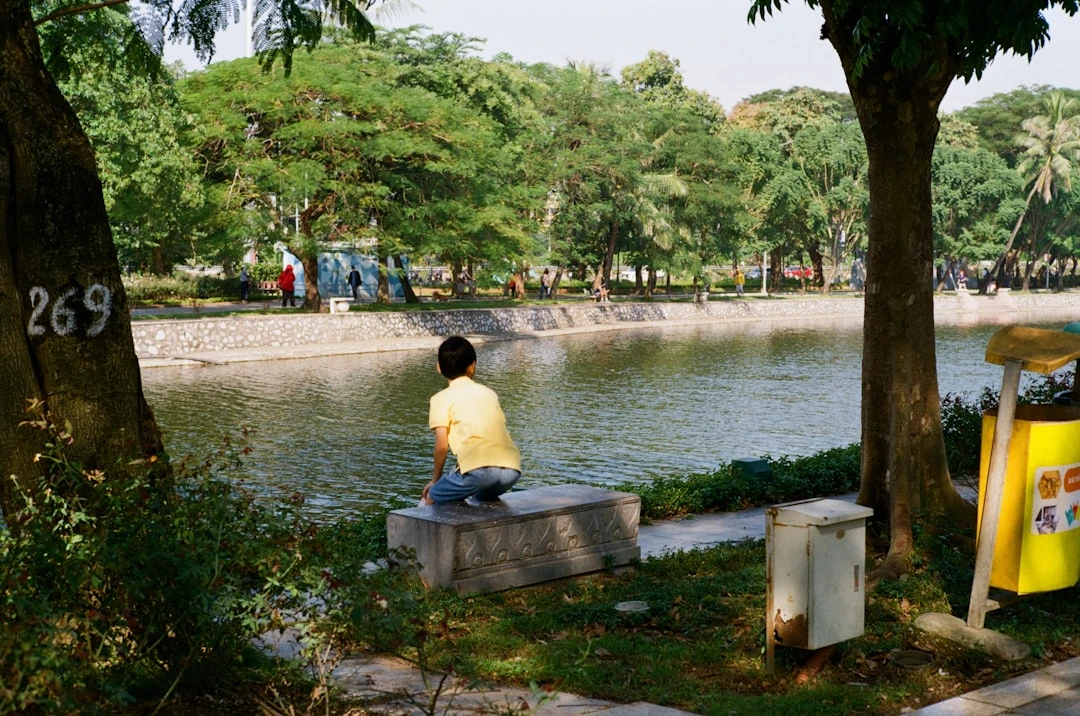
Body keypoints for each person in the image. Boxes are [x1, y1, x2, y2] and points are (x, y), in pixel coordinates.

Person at [420, 336, 521, 505]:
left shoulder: (440, 398)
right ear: (473, 365)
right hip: (512, 470)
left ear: (439, 367)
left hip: (479, 471)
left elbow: (441, 446)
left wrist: (435, 481)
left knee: (432, 497)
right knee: (481, 498)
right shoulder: (489, 393)